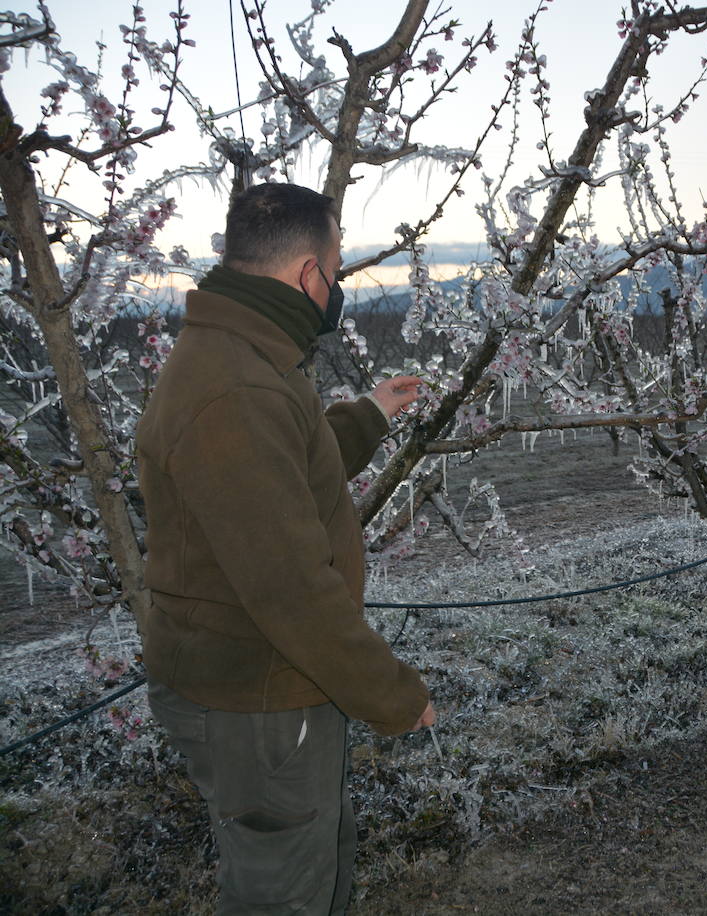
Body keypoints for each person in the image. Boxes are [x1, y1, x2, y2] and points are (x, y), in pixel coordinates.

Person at [135, 182, 435, 914]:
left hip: (270, 692)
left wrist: (370, 413)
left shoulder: (245, 355)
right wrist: (395, 697)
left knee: (313, 864)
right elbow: (291, 588)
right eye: (336, 267)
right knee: (284, 893)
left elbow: (285, 464)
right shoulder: (238, 385)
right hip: (261, 701)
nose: (337, 286)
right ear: (309, 275)